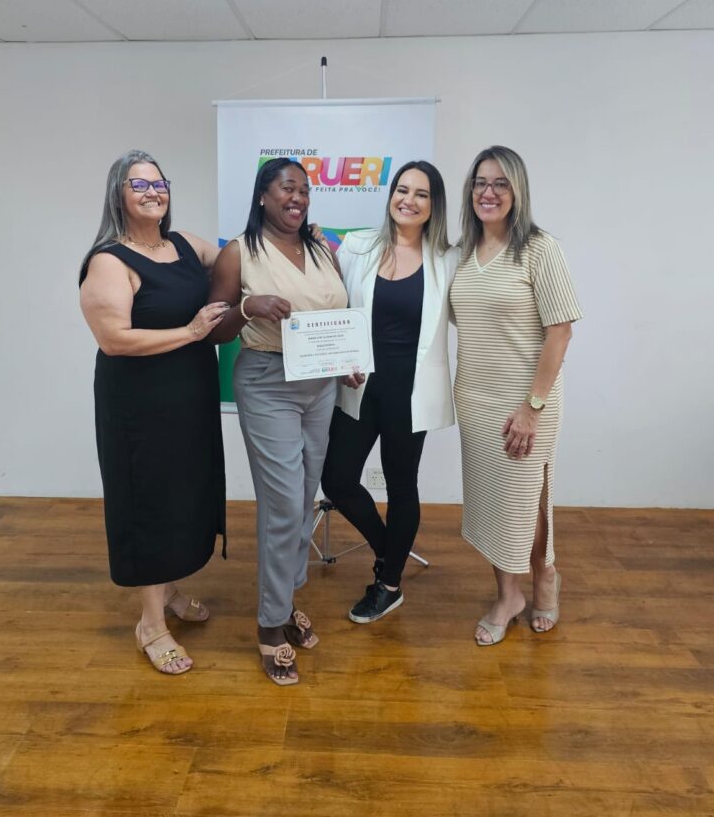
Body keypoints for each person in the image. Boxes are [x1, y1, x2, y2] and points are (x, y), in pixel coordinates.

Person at [79, 150, 228, 675]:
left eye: (158, 183)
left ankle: (167, 589)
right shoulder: (109, 260)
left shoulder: (184, 243)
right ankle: (150, 623)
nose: (151, 192)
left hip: (190, 394)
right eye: (138, 185)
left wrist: (302, 237)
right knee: (148, 501)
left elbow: (238, 260)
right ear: (118, 195)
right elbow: (114, 339)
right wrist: (190, 332)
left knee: (184, 494)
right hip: (138, 405)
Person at [208, 157, 347, 686]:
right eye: (288, 188)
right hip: (268, 382)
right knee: (284, 504)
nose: (298, 198)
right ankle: (270, 625)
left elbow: (334, 318)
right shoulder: (239, 252)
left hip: (321, 385)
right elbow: (214, 329)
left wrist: (346, 362)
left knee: (304, 498)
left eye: (305, 191)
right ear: (263, 195)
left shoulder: (321, 247)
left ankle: (285, 603)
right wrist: (248, 309)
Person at [450, 146, 582, 645]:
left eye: (501, 183)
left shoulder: (540, 249)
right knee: (492, 500)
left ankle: (544, 576)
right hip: (475, 398)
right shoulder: (462, 254)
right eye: (481, 182)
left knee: (528, 498)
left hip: (526, 401)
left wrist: (532, 407)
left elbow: (560, 331)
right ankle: (508, 595)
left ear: (517, 191)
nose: (488, 192)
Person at [321, 161, 460, 623]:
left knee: (402, 486)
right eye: (402, 189)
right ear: (391, 195)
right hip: (360, 388)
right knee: (337, 479)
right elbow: (334, 307)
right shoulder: (358, 246)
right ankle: (389, 552)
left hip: (411, 394)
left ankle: (389, 584)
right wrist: (338, 360)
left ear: (434, 205)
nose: (409, 200)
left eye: (421, 194)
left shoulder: (449, 260)